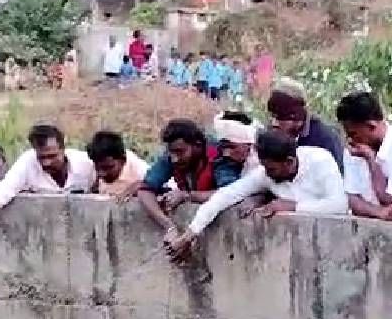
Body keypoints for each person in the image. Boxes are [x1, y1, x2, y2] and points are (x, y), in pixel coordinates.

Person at [163, 129, 349, 263]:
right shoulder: (266, 173)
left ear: (289, 162)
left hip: (335, 248)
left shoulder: (320, 160)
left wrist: (292, 206)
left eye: (272, 169)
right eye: (265, 168)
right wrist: (190, 234)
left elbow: (339, 205)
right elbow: (226, 196)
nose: (267, 174)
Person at [0, 124, 95, 217]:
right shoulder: (27, 162)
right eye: (41, 157)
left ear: (63, 149)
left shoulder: (86, 163)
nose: (47, 162)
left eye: (52, 156)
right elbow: (5, 189)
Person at [336, 91, 392, 221]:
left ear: (371, 126)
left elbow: (390, 201)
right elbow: (352, 199)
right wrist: (379, 212)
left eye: (353, 133)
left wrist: (371, 159)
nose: (349, 139)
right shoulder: (356, 146)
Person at [138, 119, 219, 235]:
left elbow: (231, 193)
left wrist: (186, 196)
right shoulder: (170, 158)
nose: (174, 159)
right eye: (171, 152)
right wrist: (168, 225)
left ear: (198, 145)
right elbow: (145, 190)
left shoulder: (219, 156)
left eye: (180, 152)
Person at [267, 77, 344, 171]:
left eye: (280, 118)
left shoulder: (324, 139)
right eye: (273, 116)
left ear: (295, 116)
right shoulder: (278, 134)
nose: (274, 123)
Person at [88, 130, 150, 202]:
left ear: (123, 160)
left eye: (108, 168)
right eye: (98, 168)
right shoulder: (91, 168)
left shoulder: (141, 172)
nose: (101, 173)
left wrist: (142, 187)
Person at [212, 112, 260, 187]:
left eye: (232, 147)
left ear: (248, 145)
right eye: (223, 147)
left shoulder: (259, 166)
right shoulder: (221, 162)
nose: (226, 153)